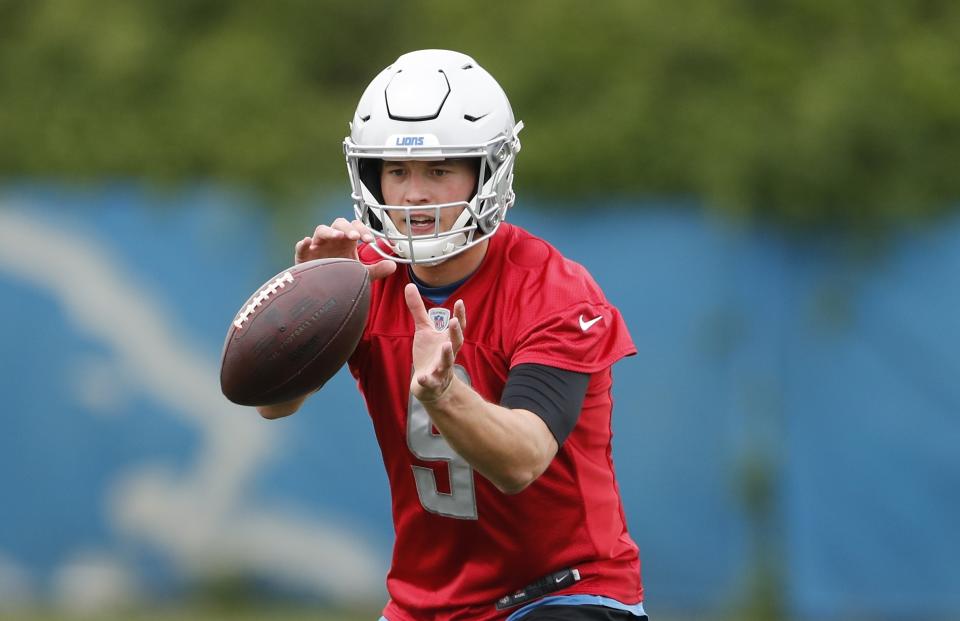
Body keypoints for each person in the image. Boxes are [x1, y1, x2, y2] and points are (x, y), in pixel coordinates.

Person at [257, 49, 646, 621]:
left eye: (438, 170)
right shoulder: (368, 279)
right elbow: (273, 404)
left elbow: (521, 460)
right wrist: (311, 304)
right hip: (427, 605)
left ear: (486, 172)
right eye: (396, 170)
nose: (414, 195)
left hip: (563, 591)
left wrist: (444, 394)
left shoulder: (553, 291)